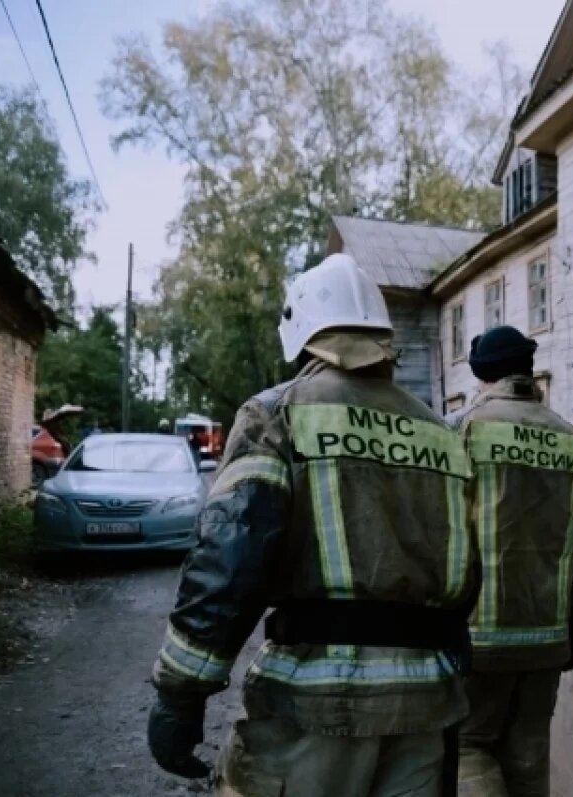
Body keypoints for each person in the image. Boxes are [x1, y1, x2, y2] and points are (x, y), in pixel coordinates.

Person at [146, 253, 479, 797]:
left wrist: (181, 691)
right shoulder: (440, 432)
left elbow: (230, 555)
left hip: (317, 705)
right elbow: (468, 571)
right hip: (428, 701)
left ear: (301, 332)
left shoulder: (279, 413)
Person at [452, 326, 573, 797]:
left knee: (467, 748)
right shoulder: (572, 441)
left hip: (475, 639)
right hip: (547, 636)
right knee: (529, 753)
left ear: (481, 374)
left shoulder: (462, 430)